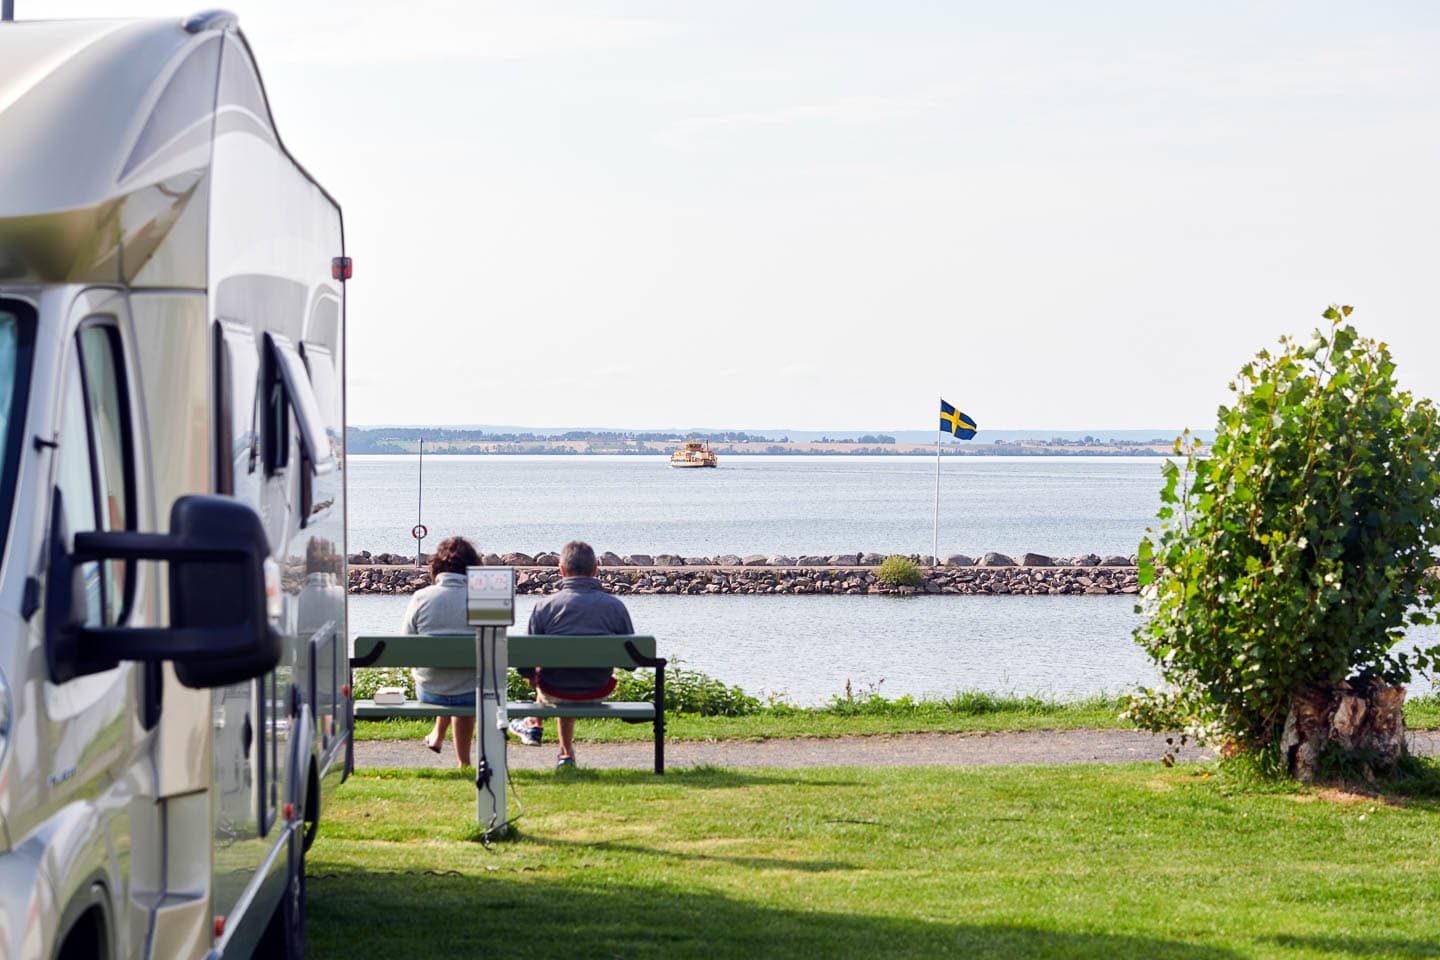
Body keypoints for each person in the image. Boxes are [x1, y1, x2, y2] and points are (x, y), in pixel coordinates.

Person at [513, 540, 633, 769]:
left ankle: (538, 728)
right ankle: (563, 752)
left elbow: (525, 662)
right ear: (595, 570)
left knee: (554, 675)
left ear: (562, 571)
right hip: (598, 689)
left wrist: (532, 675)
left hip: (553, 690)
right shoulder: (614, 606)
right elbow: (631, 663)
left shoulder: (544, 607)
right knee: (566, 675)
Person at [401, 535, 481, 768]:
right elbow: (497, 643)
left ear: (436, 566)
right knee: (463, 685)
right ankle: (464, 762)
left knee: (447, 677)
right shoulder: (483, 599)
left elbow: (405, 643)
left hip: (430, 691)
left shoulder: (421, 598)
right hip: (471, 691)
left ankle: (438, 734)